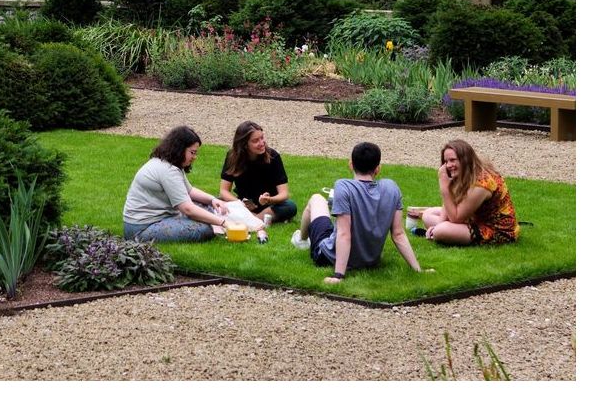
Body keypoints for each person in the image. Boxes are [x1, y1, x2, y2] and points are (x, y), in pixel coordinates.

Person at [290, 141, 427, 283]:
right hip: (370, 261)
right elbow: (398, 234)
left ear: (351, 165)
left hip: (328, 256)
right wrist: (418, 269)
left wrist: (338, 276)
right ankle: (303, 239)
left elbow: (344, 234)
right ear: (378, 169)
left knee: (316, 199)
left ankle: (302, 240)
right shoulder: (391, 188)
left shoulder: (343, 186)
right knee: (332, 221)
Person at [123, 125, 238, 242]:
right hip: (142, 229)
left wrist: (213, 200)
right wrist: (223, 222)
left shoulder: (170, 164)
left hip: (154, 220)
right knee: (206, 228)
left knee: (208, 207)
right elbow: (187, 209)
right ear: (179, 149)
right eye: (192, 152)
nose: (195, 157)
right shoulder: (168, 170)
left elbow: (189, 191)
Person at [407, 139, 519, 245]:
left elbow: (456, 218)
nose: (448, 165)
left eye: (452, 160)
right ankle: (438, 232)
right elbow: (452, 204)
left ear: (465, 159)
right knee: (428, 214)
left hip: (496, 230)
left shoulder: (482, 183)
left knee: (441, 230)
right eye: (446, 161)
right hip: (474, 218)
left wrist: (444, 187)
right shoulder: (465, 172)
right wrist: (440, 223)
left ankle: (438, 233)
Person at [218, 120, 298, 224]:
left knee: (289, 206)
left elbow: (284, 194)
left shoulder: (273, 156)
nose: (261, 143)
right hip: (243, 204)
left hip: (268, 205)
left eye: (262, 138)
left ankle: (252, 220)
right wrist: (239, 204)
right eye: (255, 141)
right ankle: (256, 218)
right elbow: (224, 191)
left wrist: (269, 199)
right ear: (244, 144)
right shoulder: (232, 157)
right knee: (216, 201)